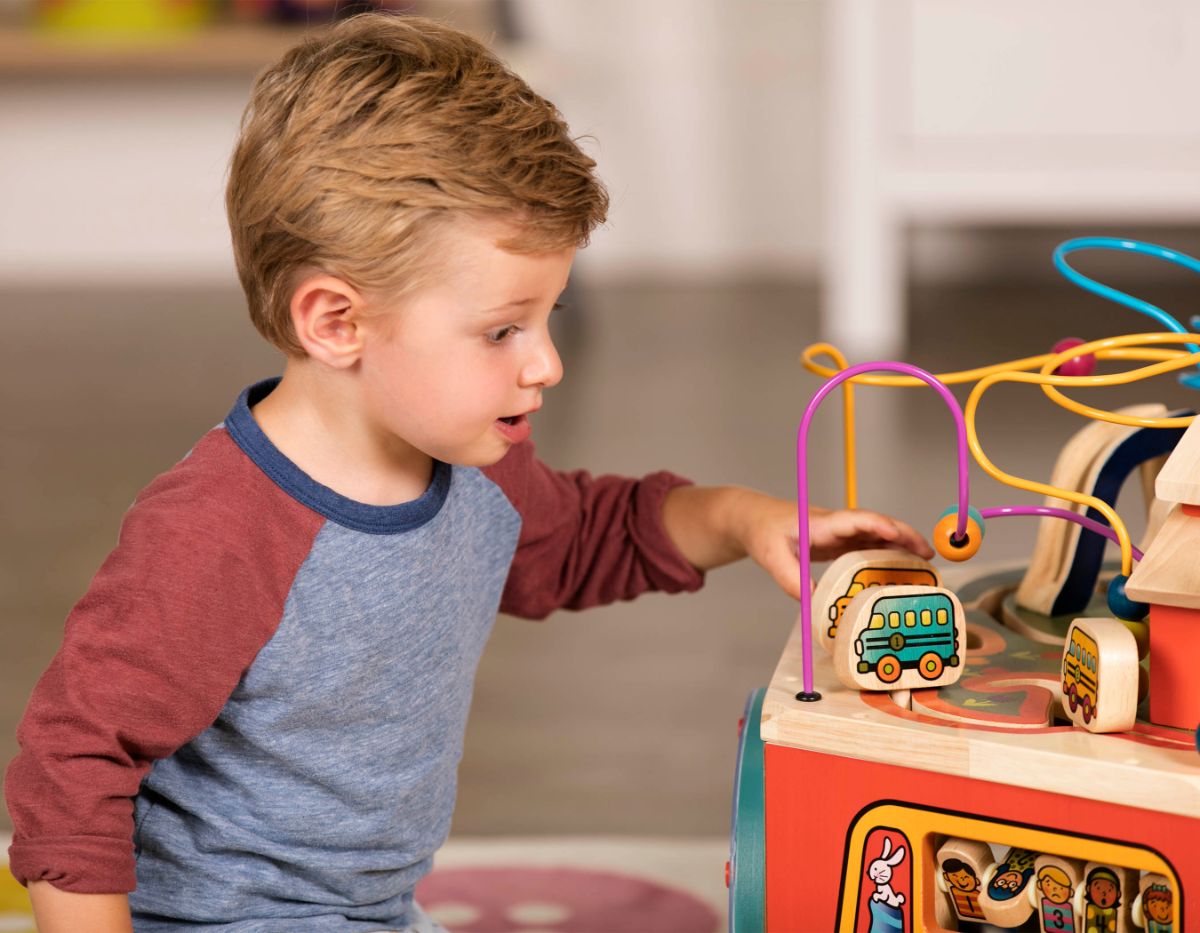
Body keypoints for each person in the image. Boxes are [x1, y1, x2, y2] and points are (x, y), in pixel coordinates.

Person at [4, 13, 931, 932]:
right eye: (501, 331)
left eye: (547, 316)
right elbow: (72, 762)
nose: (546, 364)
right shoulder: (218, 532)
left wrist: (743, 519)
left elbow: (581, 540)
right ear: (336, 322)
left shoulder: (475, 464)